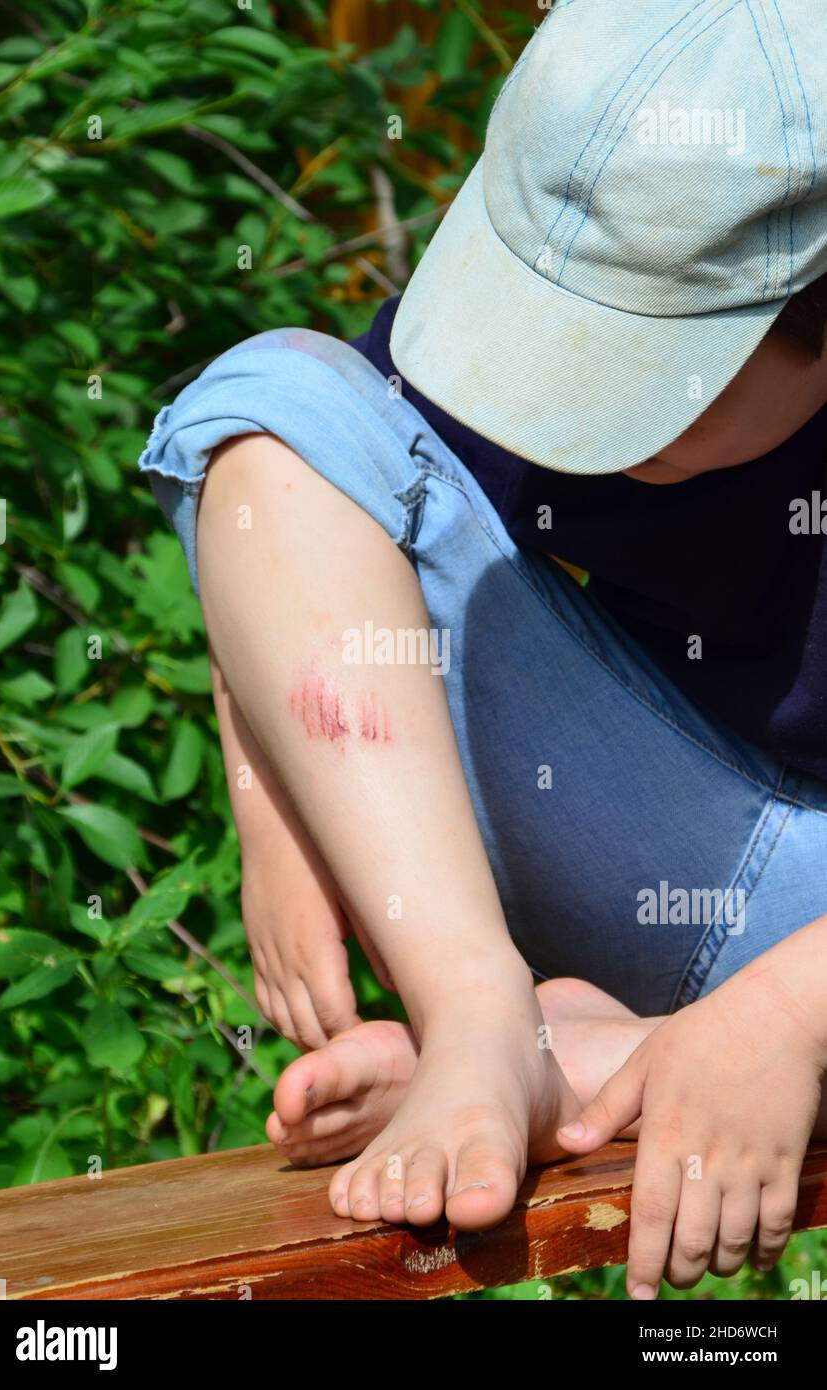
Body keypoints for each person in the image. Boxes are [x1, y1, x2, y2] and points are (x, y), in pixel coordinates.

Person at [139, 0, 827, 1299]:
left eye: (641, 365)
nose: (569, 408)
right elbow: (314, 473)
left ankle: (601, 1052)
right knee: (277, 411)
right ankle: (487, 1022)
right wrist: (264, 777)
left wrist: (789, 1014)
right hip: (661, 829)